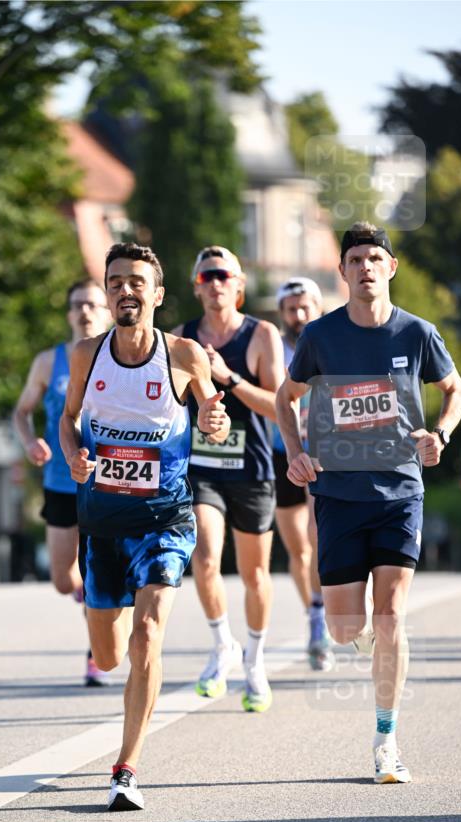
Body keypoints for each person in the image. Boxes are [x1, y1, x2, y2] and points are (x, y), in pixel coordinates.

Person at [276, 222, 461, 784]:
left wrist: (443, 434)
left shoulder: (418, 334)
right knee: (343, 628)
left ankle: (387, 739)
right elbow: (287, 400)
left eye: (374, 258)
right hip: (337, 493)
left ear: (391, 267)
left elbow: (454, 389)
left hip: (399, 490)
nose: (365, 267)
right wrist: (295, 451)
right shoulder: (320, 336)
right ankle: (359, 637)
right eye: (355, 259)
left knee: (391, 616)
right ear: (342, 271)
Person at [60, 243, 229, 811]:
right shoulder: (86, 354)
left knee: (149, 634)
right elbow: (68, 420)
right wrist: (75, 454)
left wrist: (213, 414)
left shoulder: (183, 354)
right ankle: (110, 639)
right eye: (115, 282)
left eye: (136, 281)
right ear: (106, 293)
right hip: (103, 523)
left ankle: (125, 768)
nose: (124, 291)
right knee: (108, 657)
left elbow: (212, 410)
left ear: (157, 294)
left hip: (165, 520)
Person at [172, 246, 284, 712]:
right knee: (204, 559)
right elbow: (171, 406)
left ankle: (254, 660)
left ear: (238, 285)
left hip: (253, 470)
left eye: (224, 275)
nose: (215, 283)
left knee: (256, 574)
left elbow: (282, 407)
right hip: (204, 470)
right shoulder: (182, 338)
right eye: (207, 276)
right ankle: (223, 645)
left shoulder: (262, 335)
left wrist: (227, 378)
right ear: (197, 286)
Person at [14, 279, 112, 686]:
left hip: (107, 482)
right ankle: (86, 596)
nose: (85, 311)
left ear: (106, 311)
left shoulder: (119, 357)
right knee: (62, 579)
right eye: (77, 305)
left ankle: (96, 653)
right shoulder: (47, 361)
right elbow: (22, 412)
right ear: (69, 313)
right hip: (60, 481)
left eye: (92, 304)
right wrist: (30, 441)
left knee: (98, 574)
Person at [273, 277, 334, 671]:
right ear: (282, 314)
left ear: (318, 308)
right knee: (297, 548)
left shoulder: (332, 345)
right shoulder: (273, 348)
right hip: (280, 453)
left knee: (316, 536)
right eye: (291, 309)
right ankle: (313, 610)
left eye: (305, 307)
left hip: (322, 451)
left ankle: (322, 618)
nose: (298, 315)